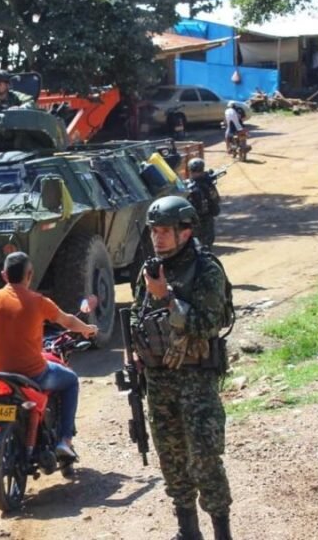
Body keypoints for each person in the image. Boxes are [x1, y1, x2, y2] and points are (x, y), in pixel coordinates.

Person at [129, 196, 235, 540]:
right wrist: (135, 352)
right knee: (171, 458)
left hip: (196, 380)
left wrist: (167, 297)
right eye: (154, 231)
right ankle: (188, 531)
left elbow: (208, 323)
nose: (157, 238)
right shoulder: (150, 269)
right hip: (159, 380)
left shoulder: (207, 270)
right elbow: (136, 313)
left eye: (164, 231)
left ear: (185, 232)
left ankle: (222, 531)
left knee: (204, 458)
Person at [0, 251, 98, 460]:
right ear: (30, 275)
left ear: (4, 275)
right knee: (70, 381)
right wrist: (87, 328)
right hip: (33, 375)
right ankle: (65, 440)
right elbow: (68, 321)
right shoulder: (38, 301)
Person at [186, 158, 222, 249]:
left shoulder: (199, 184)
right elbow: (216, 199)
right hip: (201, 220)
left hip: (202, 220)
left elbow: (215, 199)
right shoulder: (206, 182)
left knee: (203, 247)